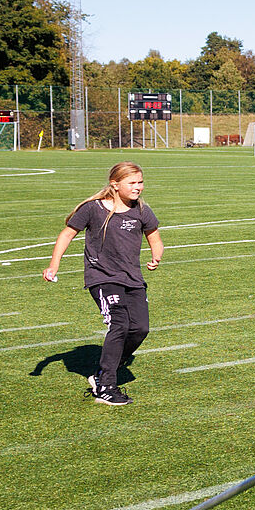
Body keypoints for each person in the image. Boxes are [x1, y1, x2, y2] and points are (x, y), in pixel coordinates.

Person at [43, 162, 163, 405]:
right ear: (115, 184)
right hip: (103, 277)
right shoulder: (93, 209)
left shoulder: (142, 211)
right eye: (132, 183)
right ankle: (106, 386)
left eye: (140, 182)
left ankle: (102, 373)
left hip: (133, 279)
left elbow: (155, 237)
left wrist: (156, 256)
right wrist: (54, 265)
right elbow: (67, 234)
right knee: (119, 323)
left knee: (140, 328)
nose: (138, 187)